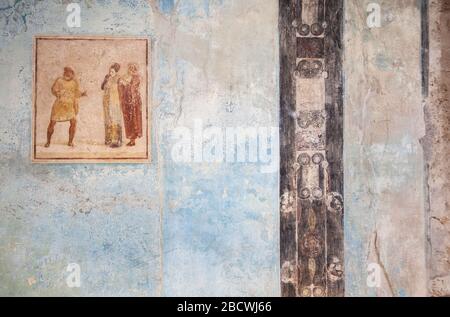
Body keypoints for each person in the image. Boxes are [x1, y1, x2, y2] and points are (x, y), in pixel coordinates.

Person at [45, 67, 87, 147]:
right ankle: (48, 142)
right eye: (66, 72)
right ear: (64, 73)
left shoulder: (74, 82)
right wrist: (58, 94)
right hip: (59, 105)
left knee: (73, 122)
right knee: (52, 123)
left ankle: (70, 142)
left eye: (70, 73)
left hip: (70, 106)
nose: (68, 74)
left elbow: (76, 93)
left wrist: (82, 94)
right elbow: (54, 89)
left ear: (72, 74)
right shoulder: (59, 80)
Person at [118, 63, 143, 147]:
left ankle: (133, 140)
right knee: (128, 120)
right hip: (127, 102)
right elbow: (122, 88)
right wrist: (121, 83)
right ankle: (131, 139)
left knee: (133, 120)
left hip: (134, 103)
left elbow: (133, 87)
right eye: (130, 68)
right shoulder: (126, 77)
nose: (131, 69)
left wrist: (125, 83)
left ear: (135, 69)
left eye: (133, 68)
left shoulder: (137, 77)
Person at [101, 63, 123, 148]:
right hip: (106, 101)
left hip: (115, 102)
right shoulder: (107, 77)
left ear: (116, 71)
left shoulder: (119, 79)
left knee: (115, 120)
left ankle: (117, 140)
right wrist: (105, 80)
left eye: (112, 71)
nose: (110, 72)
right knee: (108, 120)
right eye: (110, 71)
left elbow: (122, 90)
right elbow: (102, 87)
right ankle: (108, 139)